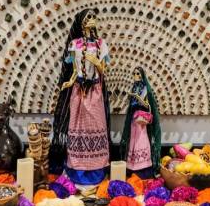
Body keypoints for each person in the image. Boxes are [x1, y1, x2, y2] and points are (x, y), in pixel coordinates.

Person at [50, 9, 112, 185]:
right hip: (78, 90)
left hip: (94, 90)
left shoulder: (101, 44)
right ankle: (77, 170)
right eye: (89, 17)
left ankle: (96, 170)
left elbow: (103, 72)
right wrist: (69, 82)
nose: (92, 20)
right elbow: (75, 69)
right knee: (76, 126)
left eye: (94, 17)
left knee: (96, 126)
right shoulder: (75, 44)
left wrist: (96, 63)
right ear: (82, 22)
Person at [120, 67, 161, 178]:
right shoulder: (135, 87)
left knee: (141, 141)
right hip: (134, 119)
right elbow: (132, 104)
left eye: (138, 73)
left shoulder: (145, 89)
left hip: (142, 121)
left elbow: (148, 106)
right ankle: (133, 167)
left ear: (142, 75)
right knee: (133, 142)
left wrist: (138, 97)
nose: (135, 76)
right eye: (134, 73)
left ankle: (143, 168)